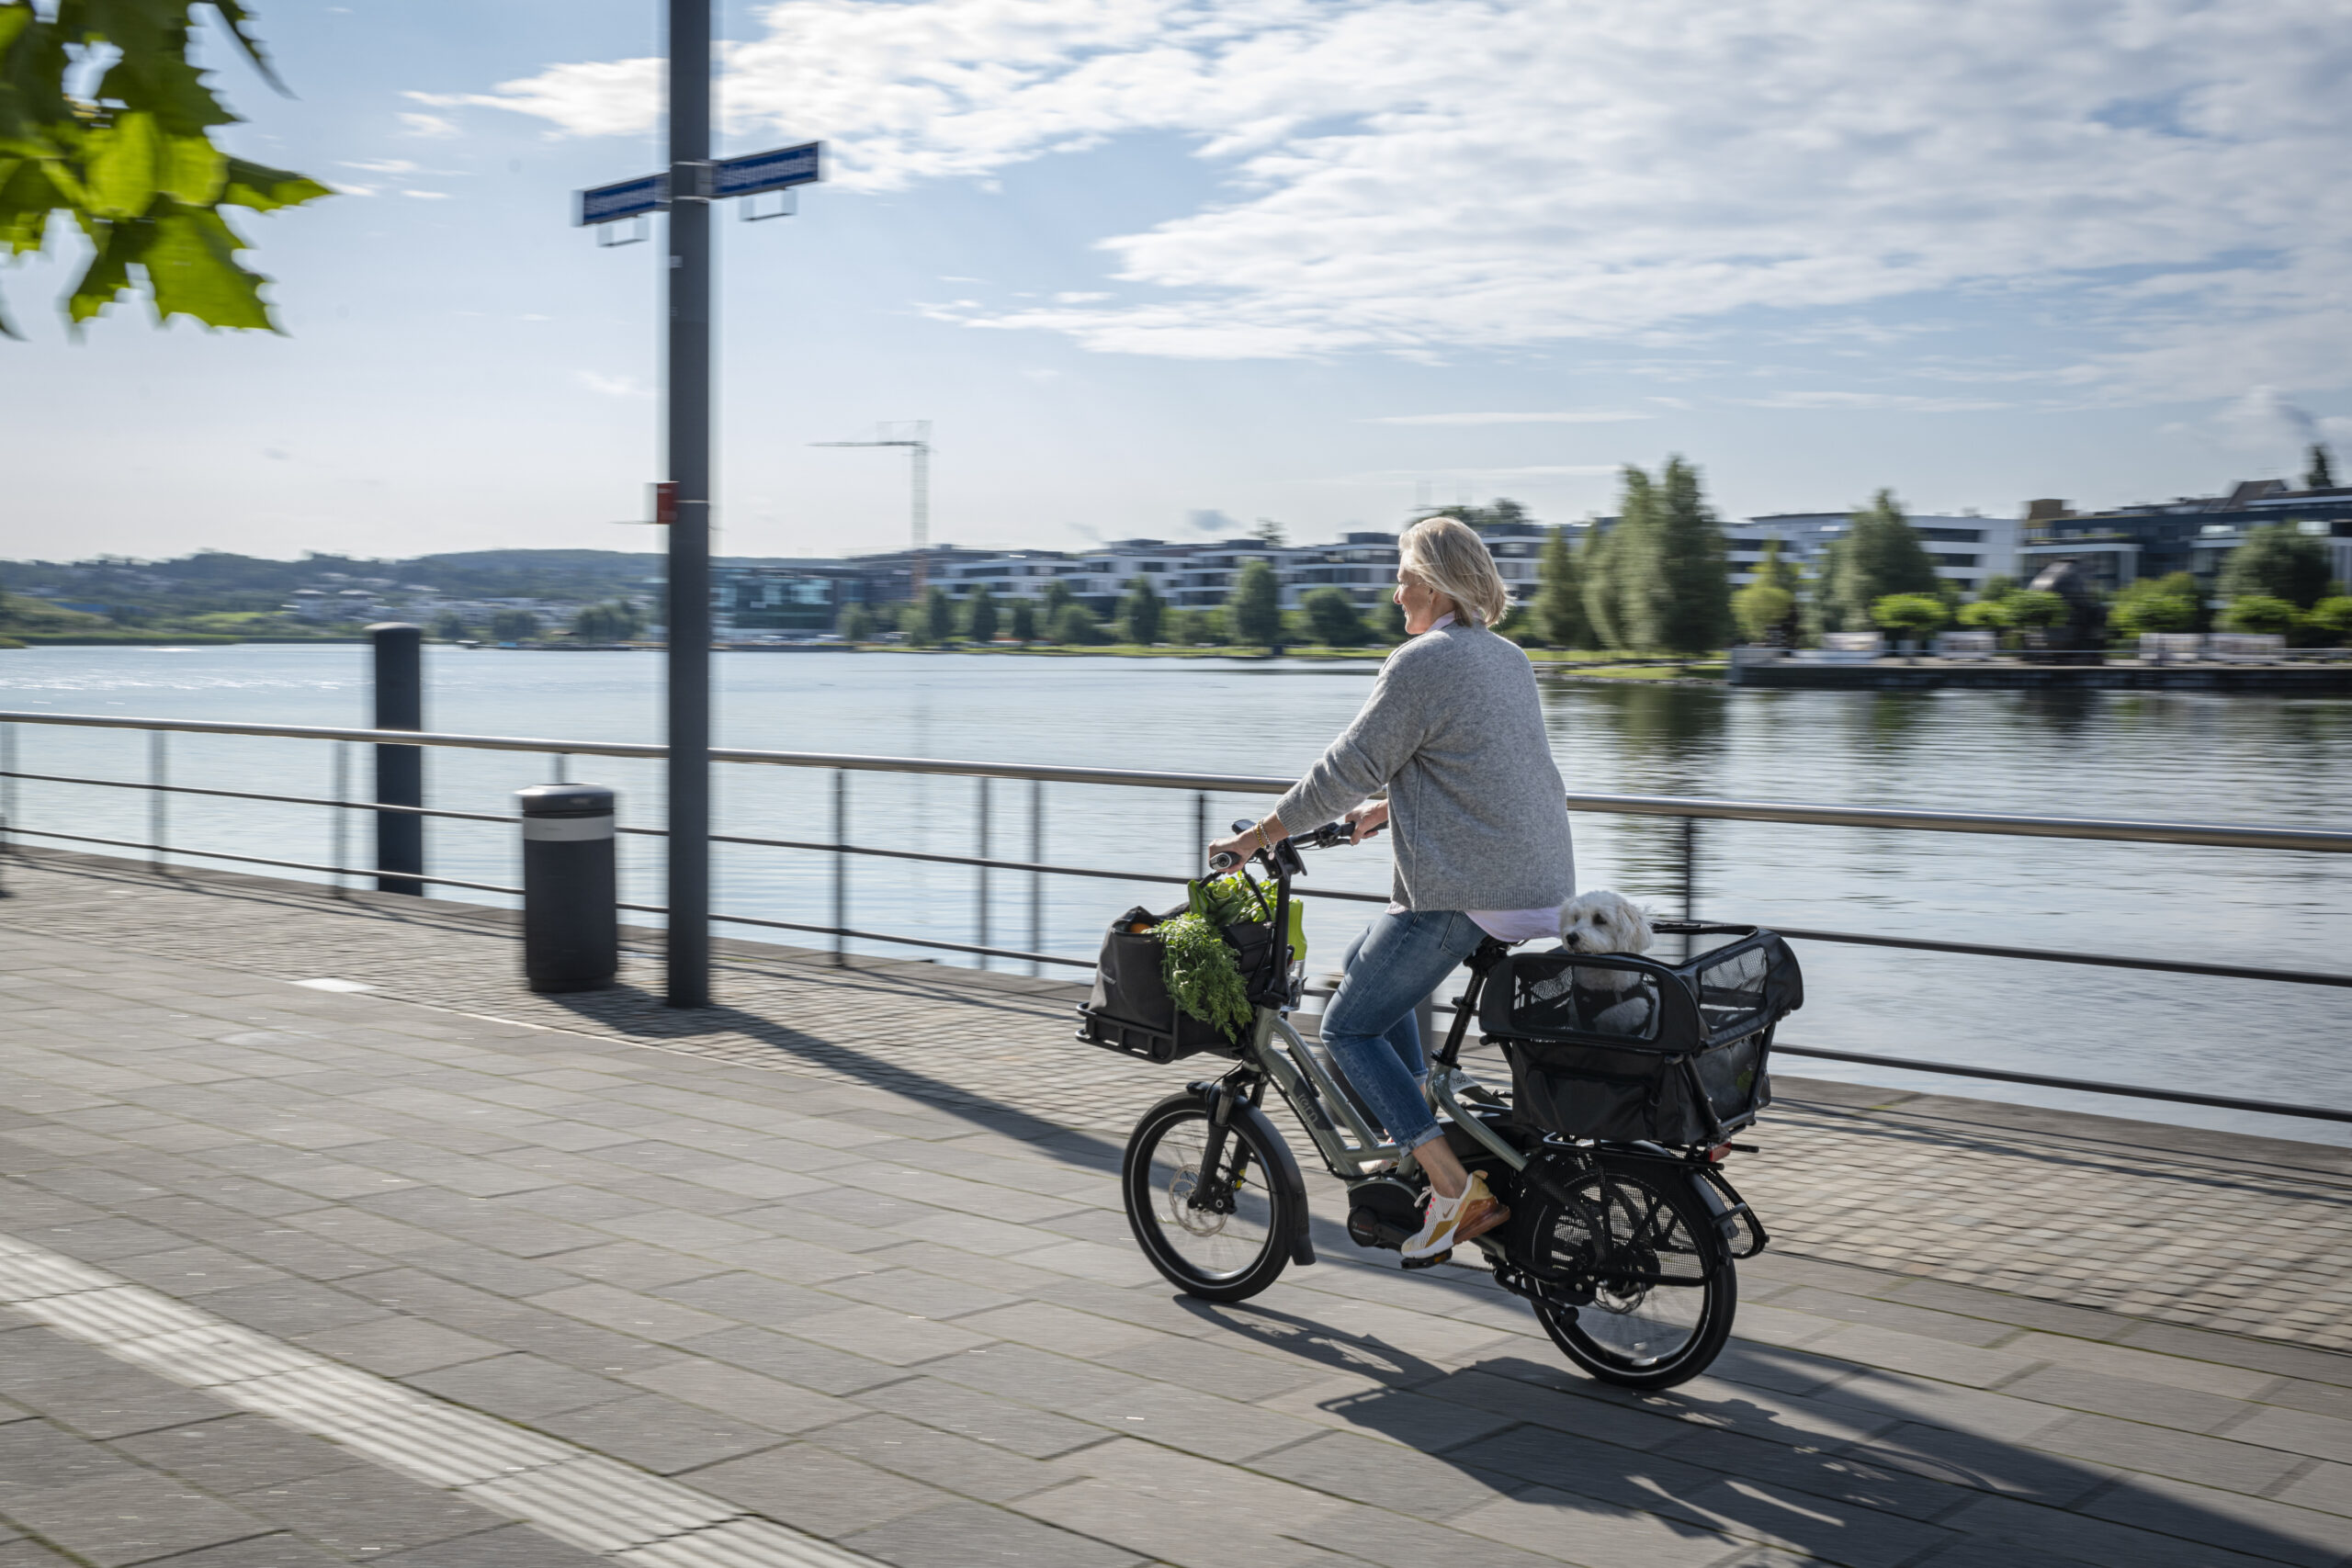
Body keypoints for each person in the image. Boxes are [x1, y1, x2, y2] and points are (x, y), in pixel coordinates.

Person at [1206, 516, 1574, 1260]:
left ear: (1436, 584)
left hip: (1467, 887)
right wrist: (1387, 810)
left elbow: (1345, 767)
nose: (1394, 588)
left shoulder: (1420, 660)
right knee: (1366, 967)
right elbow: (1480, 761)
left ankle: (1446, 1180)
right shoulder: (1505, 655)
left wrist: (1256, 838)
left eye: (1404, 573)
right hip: (1535, 876)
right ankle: (1418, 1130)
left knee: (1347, 1025)